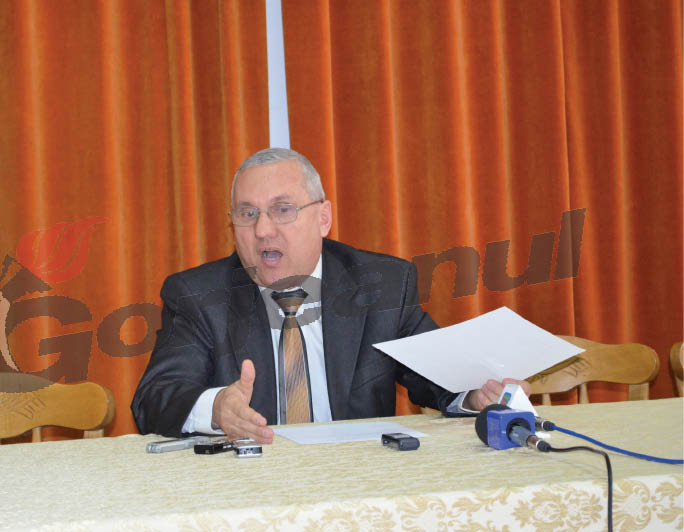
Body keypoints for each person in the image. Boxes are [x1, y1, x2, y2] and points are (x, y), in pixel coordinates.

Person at [131, 148, 530, 444]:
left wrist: (476, 394)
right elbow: (155, 398)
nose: (263, 230)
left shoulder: (382, 284)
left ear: (323, 218)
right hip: (251, 487)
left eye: (282, 210)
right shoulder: (199, 296)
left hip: (358, 484)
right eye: (247, 214)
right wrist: (216, 408)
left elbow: (436, 377)